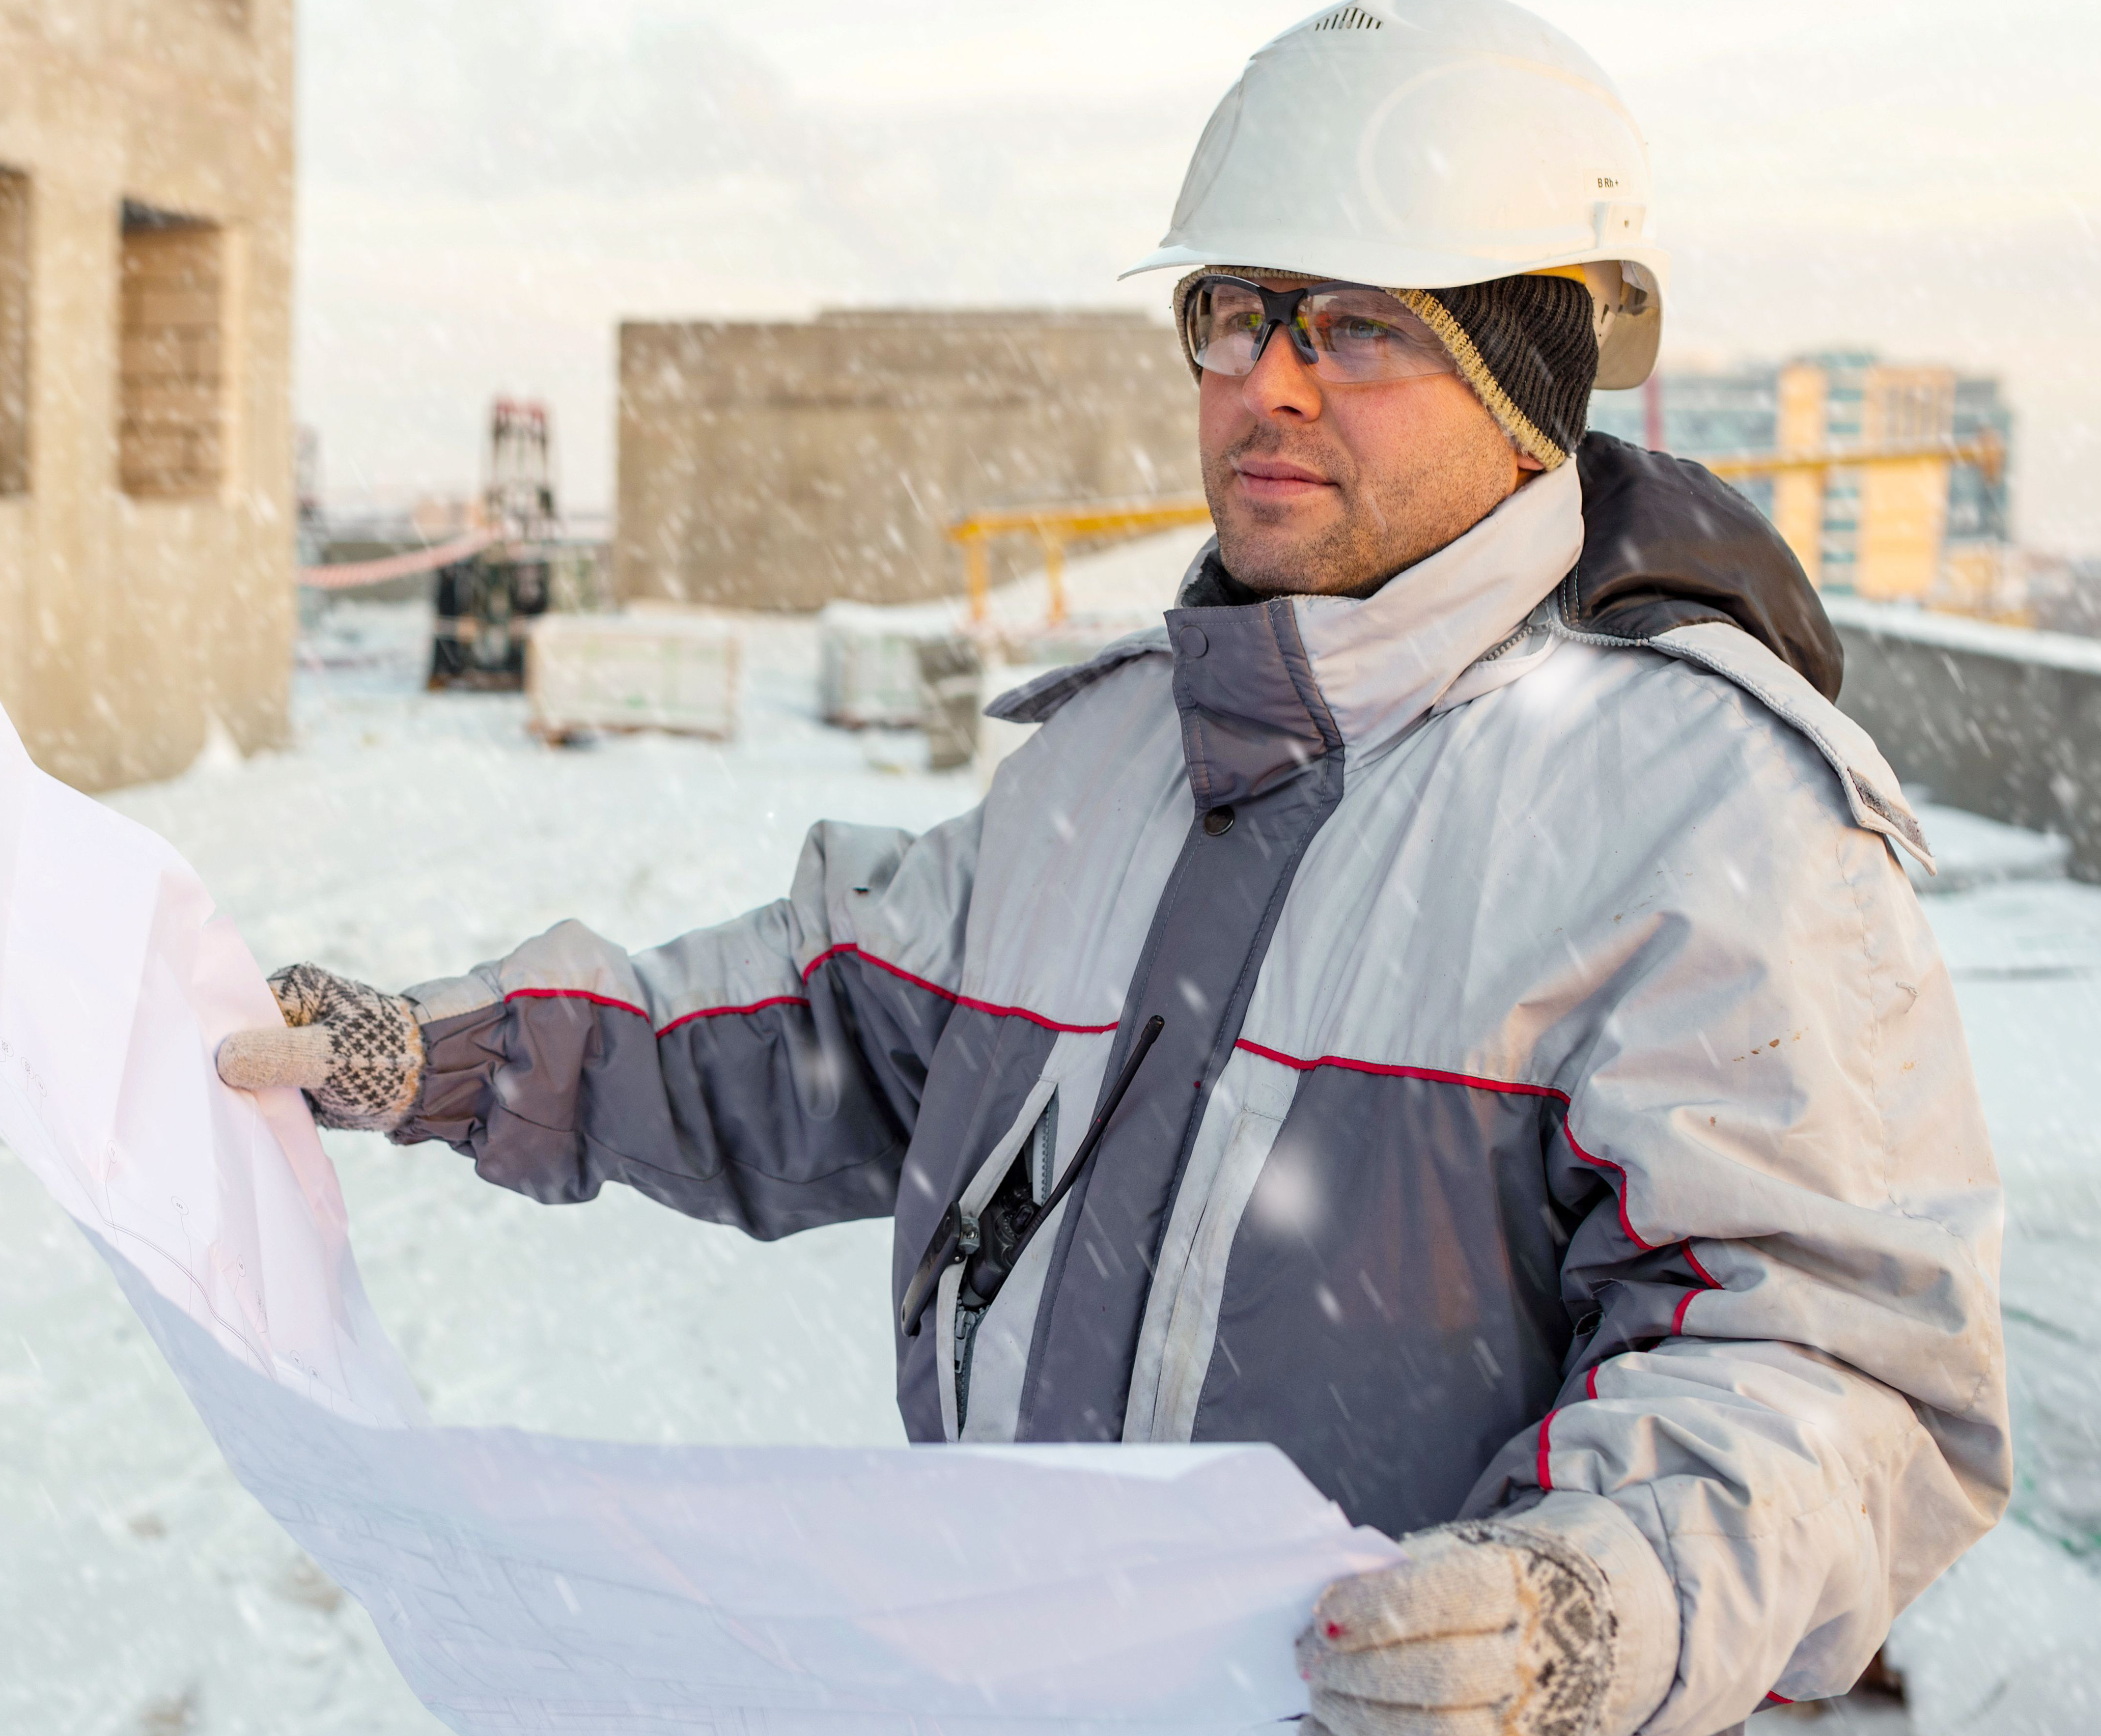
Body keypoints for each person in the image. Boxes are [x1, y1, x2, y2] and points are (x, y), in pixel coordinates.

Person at [218, 3, 2007, 1731]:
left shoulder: (1708, 813)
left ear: (1528, 378)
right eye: (1233, 318)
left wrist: (1584, 1611)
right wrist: (453, 1052)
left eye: (1357, 325)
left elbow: (1831, 1366)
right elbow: (818, 1024)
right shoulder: (1117, 746)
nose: (1266, 383)